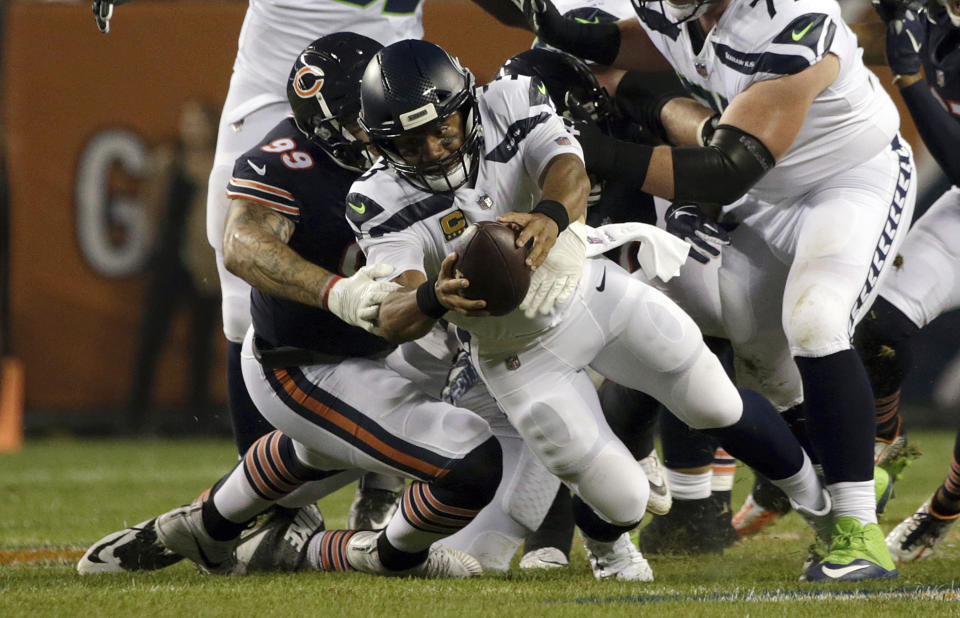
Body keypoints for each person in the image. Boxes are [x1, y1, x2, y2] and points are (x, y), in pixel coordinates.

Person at [351, 38, 833, 582]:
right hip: (519, 355)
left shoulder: (509, 98)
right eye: (412, 143)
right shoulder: (378, 198)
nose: (435, 150)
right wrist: (432, 297)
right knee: (624, 499)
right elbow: (394, 310)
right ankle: (608, 548)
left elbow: (567, 167)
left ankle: (828, 510)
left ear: (465, 106)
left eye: (442, 130)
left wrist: (551, 219)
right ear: (383, 144)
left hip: (592, 293)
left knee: (715, 401)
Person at [91, 0, 528, 531]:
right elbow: (242, 245)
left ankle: (364, 484)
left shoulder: (426, 132)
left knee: (430, 295)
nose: (377, 137)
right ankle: (273, 516)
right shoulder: (291, 154)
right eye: (359, 126)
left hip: (393, 70)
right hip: (275, 73)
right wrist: (335, 292)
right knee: (244, 307)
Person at [520, 0, 918, 580]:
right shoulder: (675, 5)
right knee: (738, 347)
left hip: (847, 180)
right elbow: (643, 43)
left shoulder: (793, 18)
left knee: (816, 320)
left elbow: (730, 166)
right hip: (765, 192)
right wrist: (564, 31)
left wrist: (589, 152)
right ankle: (846, 471)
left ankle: (857, 533)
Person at [850, 0, 960, 562]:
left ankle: (942, 508)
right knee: (877, 323)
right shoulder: (938, 17)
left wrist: (910, 75)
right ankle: (884, 437)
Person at [126, 99, 222, 433]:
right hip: (169, 261)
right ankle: (135, 416)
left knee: (201, 343)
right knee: (152, 337)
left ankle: (197, 416)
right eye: (188, 122)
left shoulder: (220, 163)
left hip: (204, 263)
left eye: (199, 122)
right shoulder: (168, 160)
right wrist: (154, 248)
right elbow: (151, 206)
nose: (192, 129)